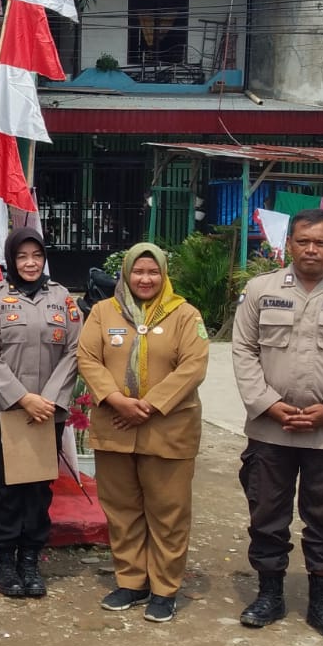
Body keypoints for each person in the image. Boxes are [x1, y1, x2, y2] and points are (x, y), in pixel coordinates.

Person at [233, 208, 323, 643]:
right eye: (303, 241)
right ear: (289, 244)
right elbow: (243, 351)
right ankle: (269, 596)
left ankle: (322, 605)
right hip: (269, 430)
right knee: (266, 514)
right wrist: (268, 405)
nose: (311, 249)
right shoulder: (260, 290)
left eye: (320, 242)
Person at [76, 243, 208, 623]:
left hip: (168, 428)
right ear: (126, 273)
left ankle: (164, 588)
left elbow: (194, 366)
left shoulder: (185, 315)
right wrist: (117, 400)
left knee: (169, 512)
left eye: (153, 272)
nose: (145, 279)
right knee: (122, 509)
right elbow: (88, 357)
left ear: (163, 275)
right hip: (115, 426)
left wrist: (148, 406)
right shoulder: (104, 312)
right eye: (138, 271)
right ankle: (132, 581)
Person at [0, 226, 81, 599]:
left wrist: (46, 399)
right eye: (22, 256)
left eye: (36, 256)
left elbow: (74, 351)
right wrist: (22, 398)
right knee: (2, 490)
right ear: (11, 259)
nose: (30, 263)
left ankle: (30, 560)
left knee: (37, 490)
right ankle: (4, 561)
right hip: (1, 413)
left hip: (46, 412)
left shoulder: (62, 298)